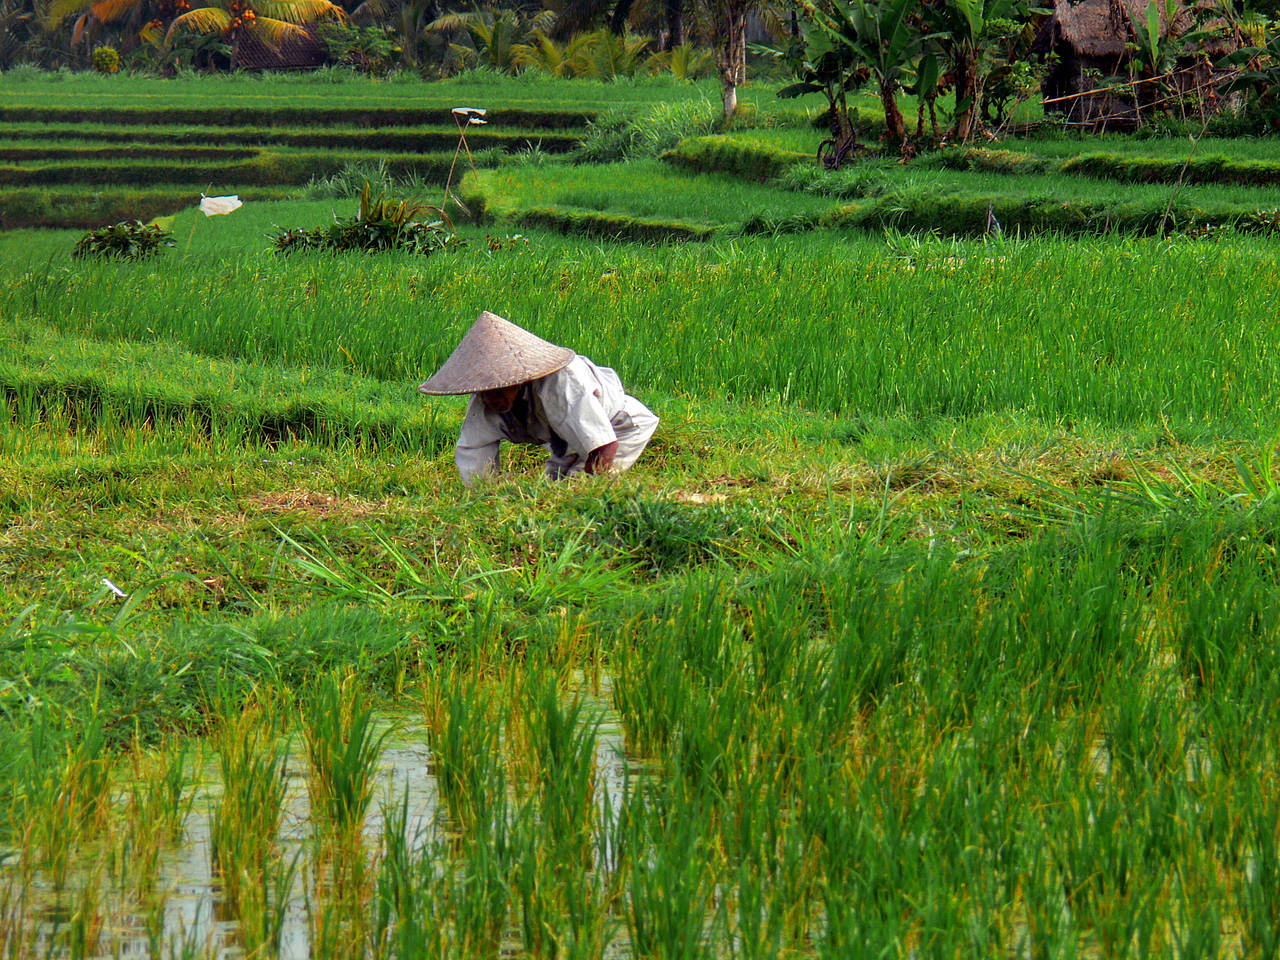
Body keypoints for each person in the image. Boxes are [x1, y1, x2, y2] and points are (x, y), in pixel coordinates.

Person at [419, 311, 659, 484]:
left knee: (574, 494)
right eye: (486, 391)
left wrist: (586, 493)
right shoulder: (485, 400)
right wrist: (487, 500)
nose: (493, 399)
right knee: (550, 490)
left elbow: (604, 445)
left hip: (620, 428)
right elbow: (474, 451)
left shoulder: (562, 384)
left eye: (501, 389)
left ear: (520, 380)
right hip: (564, 444)